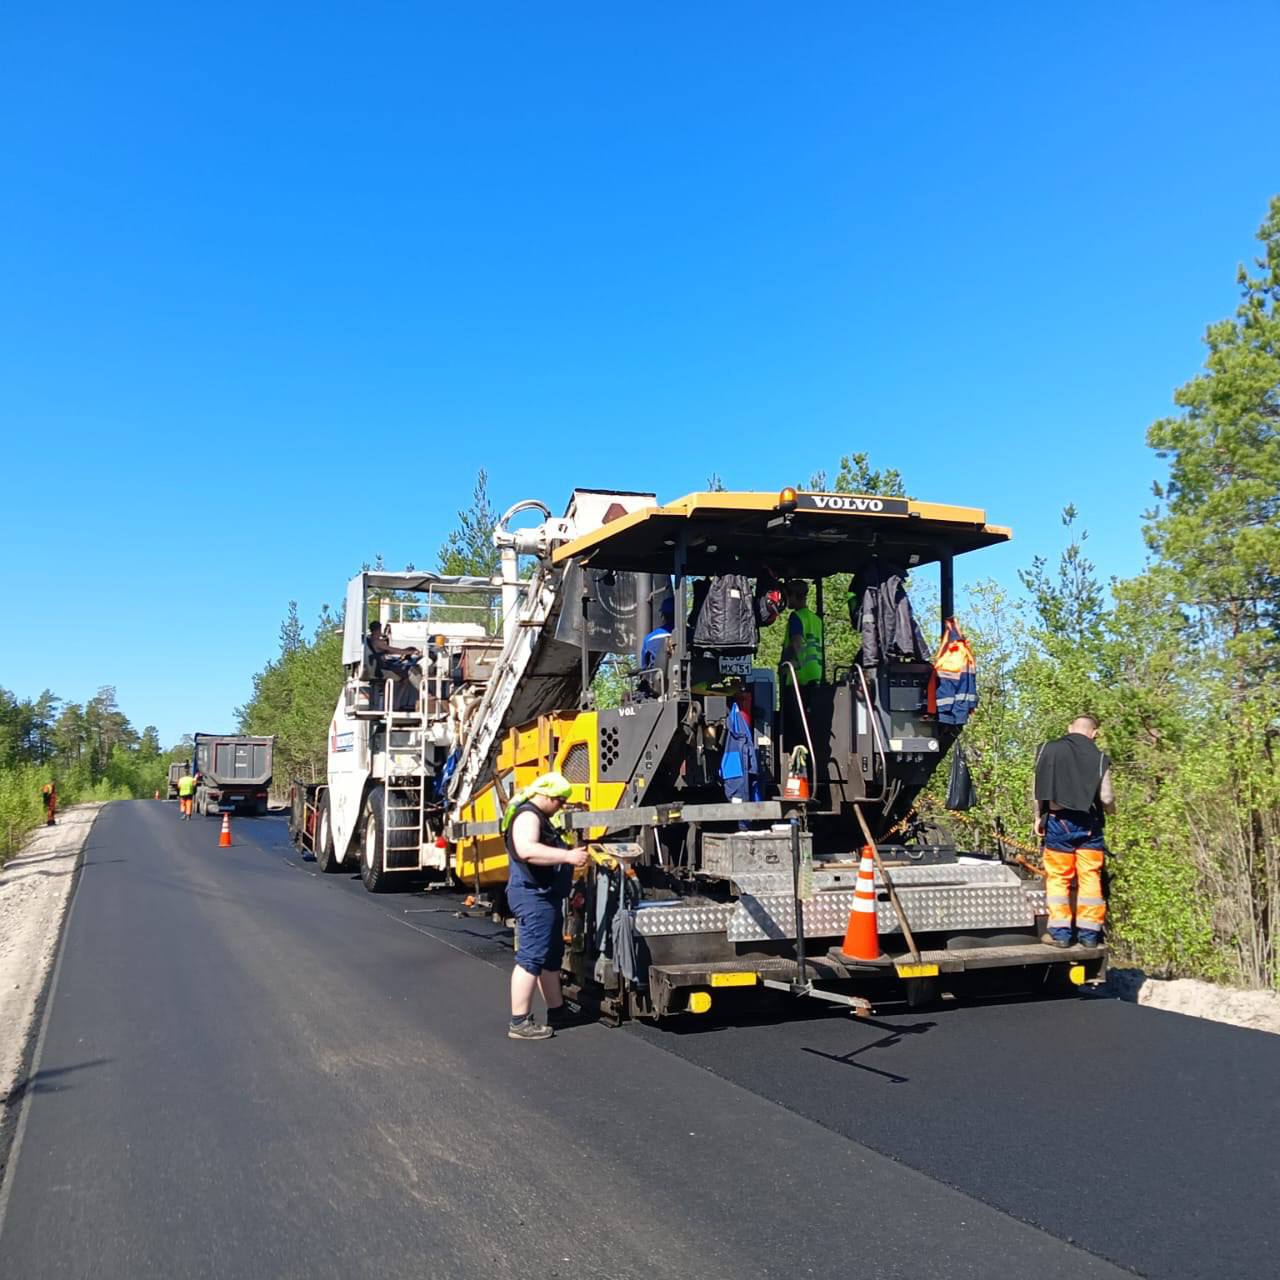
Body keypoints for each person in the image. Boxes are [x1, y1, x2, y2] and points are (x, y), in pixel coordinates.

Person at [500, 772, 588, 1040]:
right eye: (560, 802)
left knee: (549, 957)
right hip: (532, 896)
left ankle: (557, 1011)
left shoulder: (540, 817)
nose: (560, 807)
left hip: (545, 896)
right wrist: (567, 855)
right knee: (531, 958)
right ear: (548, 797)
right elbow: (526, 849)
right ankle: (519, 1022)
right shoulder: (528, 816)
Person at [1033, 715, 1116, 947]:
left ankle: (1060, 935)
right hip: (1089, 825)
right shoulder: (1100, 758)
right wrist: (1111, 811)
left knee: (1059, 878)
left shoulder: (1048, 750)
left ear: (1069, 729)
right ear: (1094, 733)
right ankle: (1089, 936)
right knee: (1090, 877)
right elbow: (1107, 797)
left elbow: (1037, 790)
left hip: (1059, 822)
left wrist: (1038, 818)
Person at [780, 578, 823, 749]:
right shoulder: (816, 620)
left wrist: (784, 665)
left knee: (794, 729)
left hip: (798, 679)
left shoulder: (796, 617)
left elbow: (796, 642)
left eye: (787, 596)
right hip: (816, 677)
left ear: (794, 596)